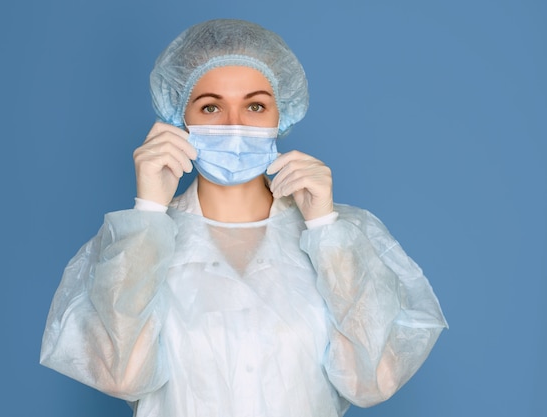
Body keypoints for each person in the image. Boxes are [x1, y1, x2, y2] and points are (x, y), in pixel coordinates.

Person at [40, 19, 447, 417]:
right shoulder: (135, 243)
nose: (234, 125)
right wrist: (148, 212)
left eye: (254, 105)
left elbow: (373, 380)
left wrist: (324, 228)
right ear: (182, 119)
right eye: (211, 107)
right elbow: (119, 377)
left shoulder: (342, 236)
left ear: (281, 114)